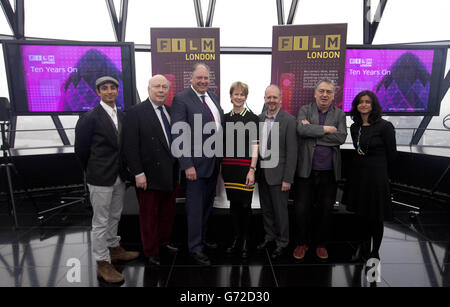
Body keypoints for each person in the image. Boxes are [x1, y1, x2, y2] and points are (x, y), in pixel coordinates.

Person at [74, 76, 139, 283]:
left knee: (114, 215)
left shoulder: (120, 115)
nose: (109, 91)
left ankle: (113, 248)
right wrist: (93, 170)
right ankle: (102, 263)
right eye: (105, 88)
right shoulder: (90, 118)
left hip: (118, 176)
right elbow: (81, 150)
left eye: (113, 88)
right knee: (100, 221)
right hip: (99, 177)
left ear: (117, 91)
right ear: (98, 92)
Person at [171, 63, 224, 266]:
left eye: (206, 78)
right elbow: (178, 132)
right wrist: (187, 164)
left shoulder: (213, 97)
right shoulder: (182, 99)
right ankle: (195, 247)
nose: (203, 81)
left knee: (207, 207)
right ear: (191, 79)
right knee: (195, 208)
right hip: (195, 165)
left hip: (212, 162)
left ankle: (201, 239)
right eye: (199, 78)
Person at [122, 75, 179, 266]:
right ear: (148, 89)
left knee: (167, 214)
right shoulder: (135, 112)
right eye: (157, 86)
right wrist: (138, 173)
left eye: (164, 87)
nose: (161, 90)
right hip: (148, 176)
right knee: (149, 216)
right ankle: (151, 250)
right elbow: (130, 146)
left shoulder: (170, 111)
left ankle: (163, 243)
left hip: (169, 174)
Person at [294, 78, 347, 261]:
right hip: (306, 170)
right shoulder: (305, 109)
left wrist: (313, 132)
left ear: (333, 95)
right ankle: (302, 242)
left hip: (329, 172)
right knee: (301, 209)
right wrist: (326, 129)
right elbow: (301, 130)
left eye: (329, 92)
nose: (325, 95)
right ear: (315, 93)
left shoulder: (339, 114)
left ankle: (320, 244)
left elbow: (340, 138)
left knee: (325, 210)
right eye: (322, 91)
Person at [346, 90, 397, 261]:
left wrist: (385, 177)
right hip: (359, 176)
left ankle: (375, 252)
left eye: (368, 101)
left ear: (373, 104)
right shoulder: (355, 127)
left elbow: (392, 155)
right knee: (360, 215)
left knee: (376, 217)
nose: (364, 104)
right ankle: (363, 246)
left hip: (377, 178)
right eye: (361, 101)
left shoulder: (385, 126)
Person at [256, 84, 297, 260]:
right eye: (268, 97)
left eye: (274, 97)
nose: (271, 101)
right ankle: (269, 236)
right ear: (264, 99)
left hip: (280, 176)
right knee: (266, 209)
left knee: (280, 211)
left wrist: (288, 178)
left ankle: (283, 242)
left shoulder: (289, 120)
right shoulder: (258, 119)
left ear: (280, 99)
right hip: (262, 174)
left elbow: (292, 152)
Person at [221, 81, 259, 259]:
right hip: (229, 167)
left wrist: (252, 169)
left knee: (245, 204)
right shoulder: (225, 117)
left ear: (246, 97)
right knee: (234, 204)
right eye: (235, 94)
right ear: (230, 96)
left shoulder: (252, 118)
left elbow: (255, 147)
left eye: (242, 94)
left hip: (245, 167)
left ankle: (245, 239)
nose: (238, 97)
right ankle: (236, 237)